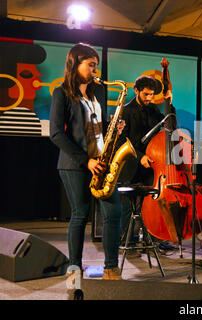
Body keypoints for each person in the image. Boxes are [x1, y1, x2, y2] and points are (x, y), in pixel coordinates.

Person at [50, 43, 124, 280]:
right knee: (80, 215)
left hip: (102, 162)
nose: (95, 70)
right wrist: (87, 161)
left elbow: (98, 126)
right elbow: (56, 134)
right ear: (75, 63)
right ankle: (74, 266)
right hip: (75, 164)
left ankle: (111, 267)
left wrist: (116, 128)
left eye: (96, 65)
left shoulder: (98, 92)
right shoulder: (61, 94)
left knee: (114, 213)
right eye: (90, 65)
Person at [118, 75, 175, 250]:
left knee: (150, 203)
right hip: (131, 164)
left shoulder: (154, 110)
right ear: (136, 91)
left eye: (151, 95)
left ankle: (152, 238)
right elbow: (122, 140)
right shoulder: (126, 111)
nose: (149, 98)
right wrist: (140, 155)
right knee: (128, 207)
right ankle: (127, 240)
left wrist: (169, 105)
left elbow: (170, 126)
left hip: (150, 165)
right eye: (146, 94)